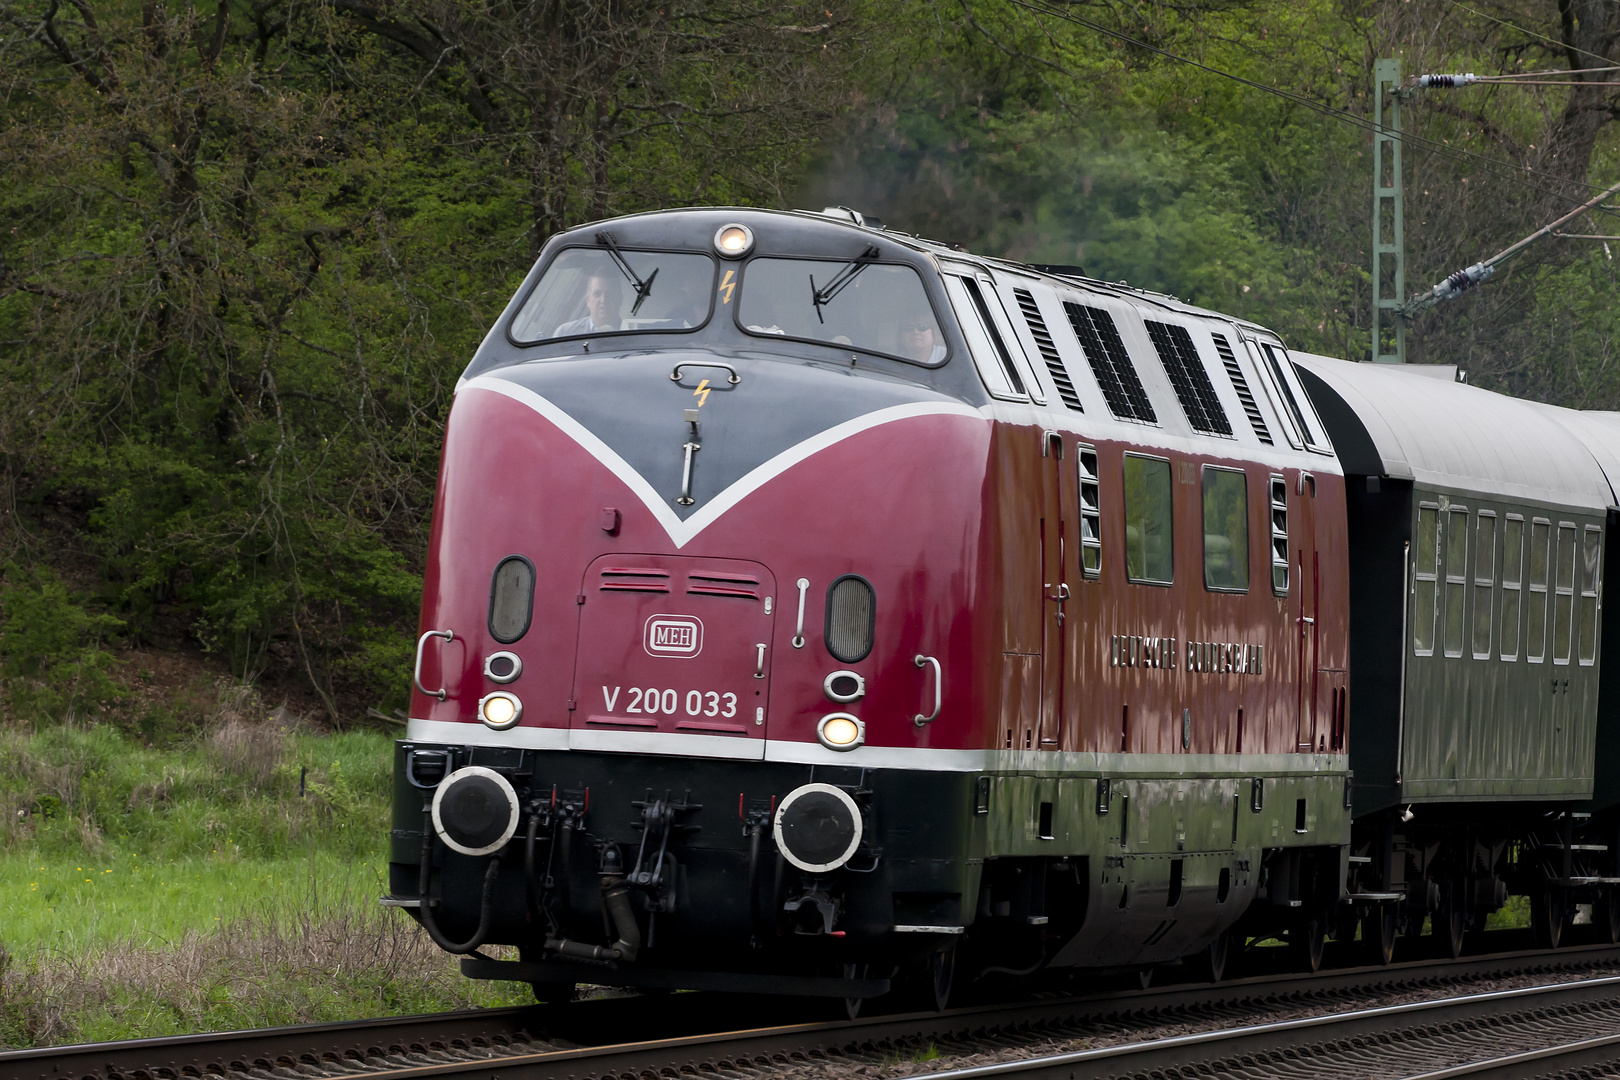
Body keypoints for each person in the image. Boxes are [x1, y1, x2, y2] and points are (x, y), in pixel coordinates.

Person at [554, 274, 622, 336]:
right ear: (587, 300)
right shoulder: (565, 333)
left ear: (620, 299)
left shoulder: (631, 333)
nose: (603, 300)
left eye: (609, 294)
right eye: (597, 294)